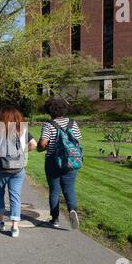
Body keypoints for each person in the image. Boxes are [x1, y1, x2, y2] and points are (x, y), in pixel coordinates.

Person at [0, 106, 37, 238]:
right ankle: (14, 227)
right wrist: (21, 152)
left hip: (0, 167)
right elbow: (34, 144)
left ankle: (0, 222)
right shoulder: (23, 130)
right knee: (15, 196)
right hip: (18, 169)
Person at [37, 98, 82, 229]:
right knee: (69, 189)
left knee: (54, 190)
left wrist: (41, 148)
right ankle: (72, 210)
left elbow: (43, 143)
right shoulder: (73, 123)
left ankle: (55, 219)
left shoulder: (49, 124)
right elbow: (78, 140)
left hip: (53, 161)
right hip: (71, 160)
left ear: (49, 110)